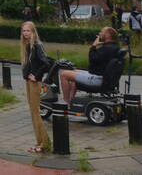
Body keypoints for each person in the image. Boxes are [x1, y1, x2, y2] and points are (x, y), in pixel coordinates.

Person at [58, 26, 121, 105]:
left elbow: (92, 59)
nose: (99, 34)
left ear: (107, 35)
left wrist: (94, 45)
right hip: (104, 78)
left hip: (98, 79)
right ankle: (71, 101)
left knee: (64, 74)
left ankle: (65, 102)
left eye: (101, 32)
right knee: (73, 71)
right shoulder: (115, 48)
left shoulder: (107, 48)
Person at [21, 21, 51, 154]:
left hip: (34, 83)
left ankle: (44, 143)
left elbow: (46, 63)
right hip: (29, 81)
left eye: (28, 31)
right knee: (33, 113)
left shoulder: (37, 46)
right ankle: (39, 142)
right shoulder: (28, 46)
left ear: (33, 32)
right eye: (24, 31)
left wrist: (36, 76)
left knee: (36, 113)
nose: (25, 33)